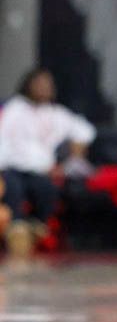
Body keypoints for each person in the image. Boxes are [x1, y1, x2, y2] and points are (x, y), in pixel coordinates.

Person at [0, 68, 96, 258]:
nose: (44, 88)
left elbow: (84, 131)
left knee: (47, 189)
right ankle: (17, 230)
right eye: (39, 83)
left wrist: (71, 160)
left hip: (41, 171)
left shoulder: (57, 114)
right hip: (10, 168)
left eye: (47, 84)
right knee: (13, 189)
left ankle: (35, 229)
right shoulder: (13, 108)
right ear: (28, 85)